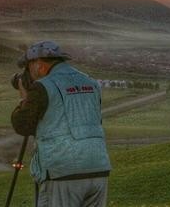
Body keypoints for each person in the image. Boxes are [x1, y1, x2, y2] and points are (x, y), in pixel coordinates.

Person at [11, 40, 111, 207]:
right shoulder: (91, 83)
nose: (28, 73)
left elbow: (22, 125)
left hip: (62, 172)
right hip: (98, 169)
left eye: (28, 67)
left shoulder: (43, 86)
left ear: (38, 64)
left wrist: (24, 98)